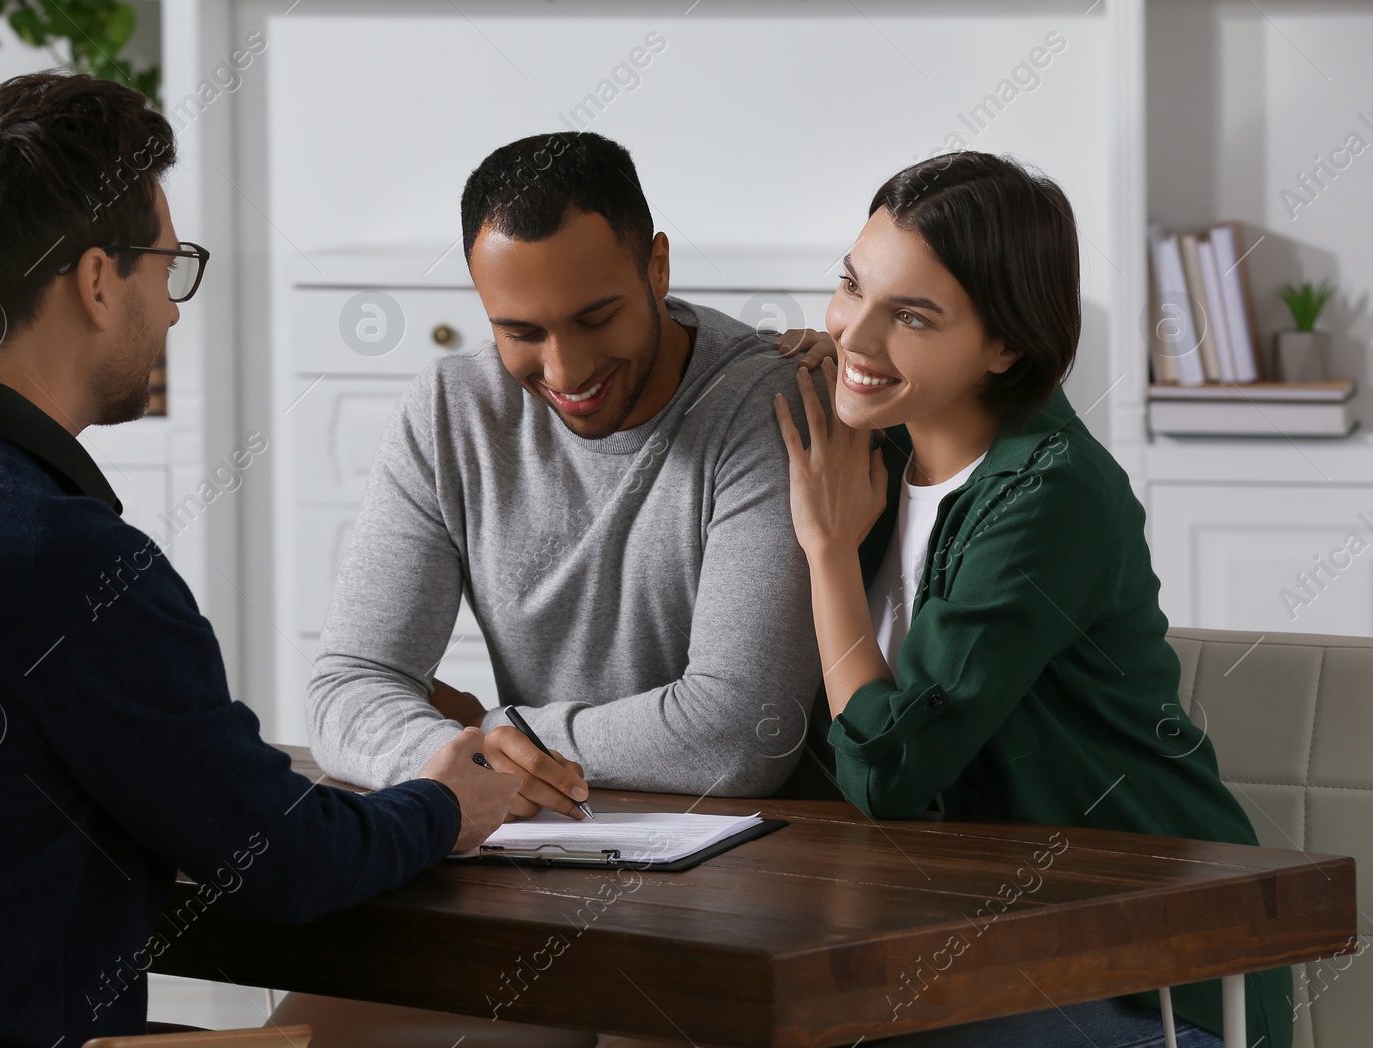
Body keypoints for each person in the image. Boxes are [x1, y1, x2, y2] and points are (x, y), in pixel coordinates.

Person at [0, 71, 519, 1048]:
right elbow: (282, 859)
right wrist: (445, 802)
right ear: (94, 280)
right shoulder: (61, 560)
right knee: (485, 1006)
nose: (171, 311)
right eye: (168, 267)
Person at [772, 151, 1292, 1046]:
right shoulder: (876, 456)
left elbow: (887, 771)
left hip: (1153, 982)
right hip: (968, 942)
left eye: (912, 316)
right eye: (852, 288)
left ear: (1006, 344)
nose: (856, 336)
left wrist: (826, 551)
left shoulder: (1052, 497)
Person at [304, 131, 823, 814]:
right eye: (521, 332)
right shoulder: (449, 412)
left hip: (762, 860)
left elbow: (740, 737)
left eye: (595, 318)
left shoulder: (765, 405)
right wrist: (461, 759)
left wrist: (493, 732)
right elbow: (348, 687)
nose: (566, 371)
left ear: (658, 268)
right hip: (552, 837)